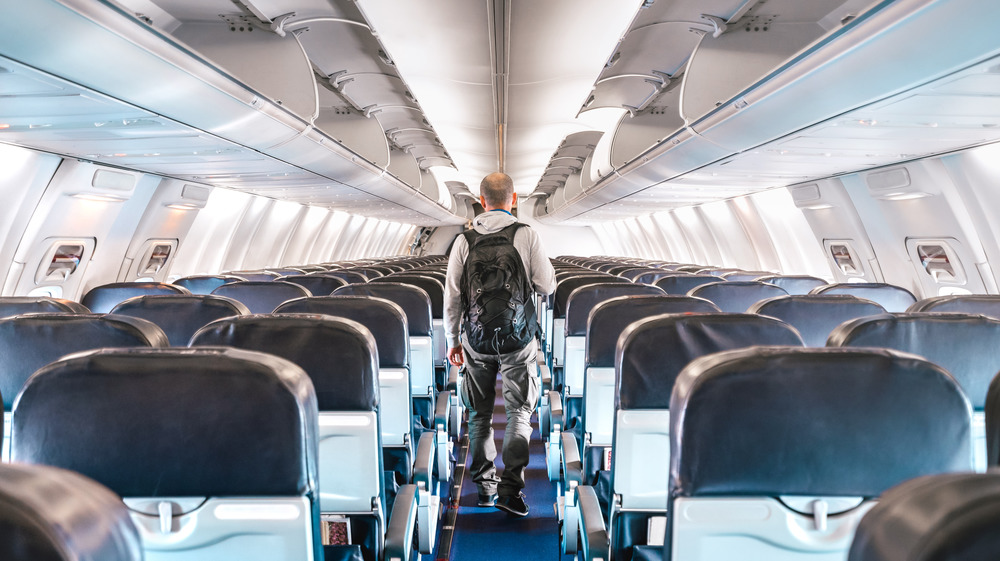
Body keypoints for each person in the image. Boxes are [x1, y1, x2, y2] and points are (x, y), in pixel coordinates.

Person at [444, 172, 556, 517]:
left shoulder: (463, 241)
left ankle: (485, 490)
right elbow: (547, 285)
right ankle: (511, 491)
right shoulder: (526, 235)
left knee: (478, 415)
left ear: (481, 199)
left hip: (476, 341)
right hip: (518, 339)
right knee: (519, 413)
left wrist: (453, 339)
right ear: (514, 199)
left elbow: (452, 296)